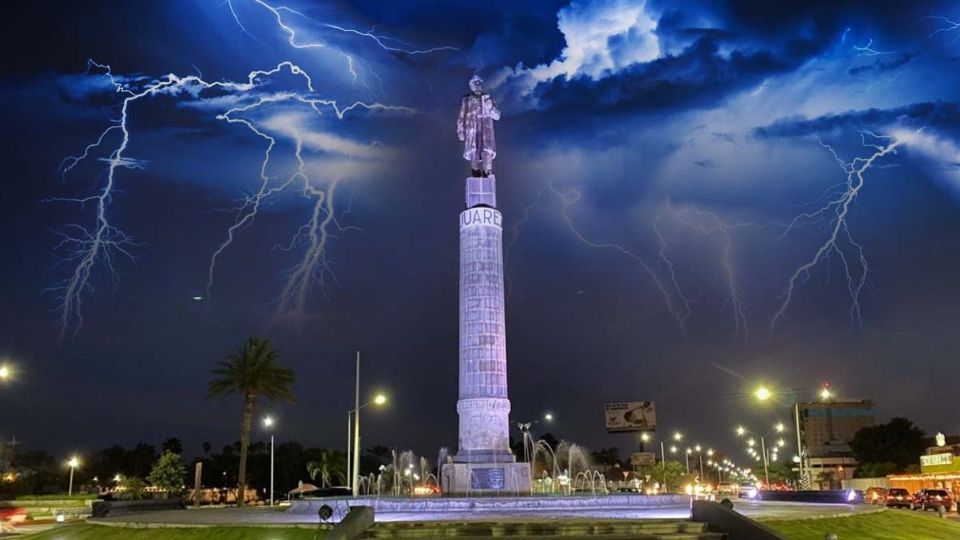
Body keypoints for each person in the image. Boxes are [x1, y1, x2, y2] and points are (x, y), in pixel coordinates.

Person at [457, 75, 500, 177]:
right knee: (474, 155)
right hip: (472, 130)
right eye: (474, 83)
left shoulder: (488, 99)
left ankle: (487, 174)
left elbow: (497, 116)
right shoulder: (466, 100)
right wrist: (460, 130)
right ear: (471, 86)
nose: (477, 85)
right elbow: (461, 116)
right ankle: (475, 174)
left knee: (487, 155)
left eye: (479, 83)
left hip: (486, 131)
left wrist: (491, 107)